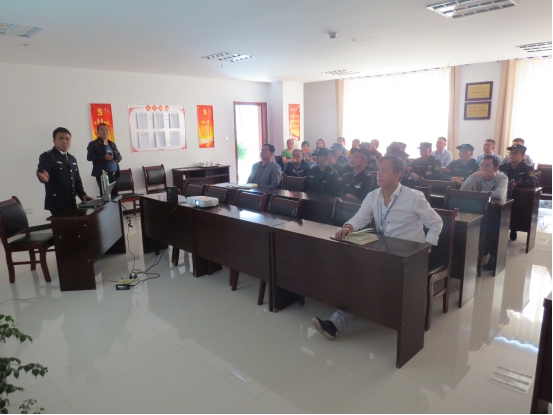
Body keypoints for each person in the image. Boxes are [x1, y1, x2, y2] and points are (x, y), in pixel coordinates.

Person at [312, 156, 443, 340]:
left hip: (409, 257)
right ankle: (342, 317)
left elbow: (436, 223)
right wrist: (348, 227)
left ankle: (337, 323)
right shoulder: (373, 196)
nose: (378, 174)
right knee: (350, 269)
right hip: (383, 252)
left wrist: (426, 247)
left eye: (384, 170)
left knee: (364, 275)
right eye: (379, 169)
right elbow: (361, 217)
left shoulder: (414, 197)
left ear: (398, 174)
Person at [461, 155, 509, 271]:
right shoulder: (478, 176)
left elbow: (500, 194)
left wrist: (478, 192)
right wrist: (472, 176)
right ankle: (470, 251)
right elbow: (463, 190)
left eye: (487, 165)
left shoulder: (502, 178)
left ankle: (493, 254)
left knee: (493, 224)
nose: (483, 168)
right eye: (481, 165)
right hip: (477, 209)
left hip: (494, 210)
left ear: (496, 168)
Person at [37, 127, 93, 214]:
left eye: (67, 139)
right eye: (61, 138)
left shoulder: (72, 158)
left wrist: (82, 195)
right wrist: (42, 175)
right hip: (57, 203)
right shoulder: (48, 156)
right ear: (54, 140)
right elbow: (43, 168)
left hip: (71, 201)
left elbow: (77, 179)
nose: (65, 142)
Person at [500, 143, 537, 241]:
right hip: (503, 194)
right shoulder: (502, 167)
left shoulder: (528, 168)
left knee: (517, 210)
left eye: (515, 153)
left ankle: (514, 228)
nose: (512, 155)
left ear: (522, 155)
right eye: (510, 153)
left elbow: (533, 181)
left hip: (519, 196)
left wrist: (516, 183)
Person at [86, 123, 122, 198]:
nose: (104, 131)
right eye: (102, 130)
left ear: (109, 131)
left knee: (115, 197)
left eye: (106, 130)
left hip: (115, 175)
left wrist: (115, 159)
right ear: (97, 132)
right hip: (103, 175)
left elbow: (119, 156)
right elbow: (89, 157)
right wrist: (104, 157)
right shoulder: (93, 144)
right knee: (106, 197)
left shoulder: (112, 144)